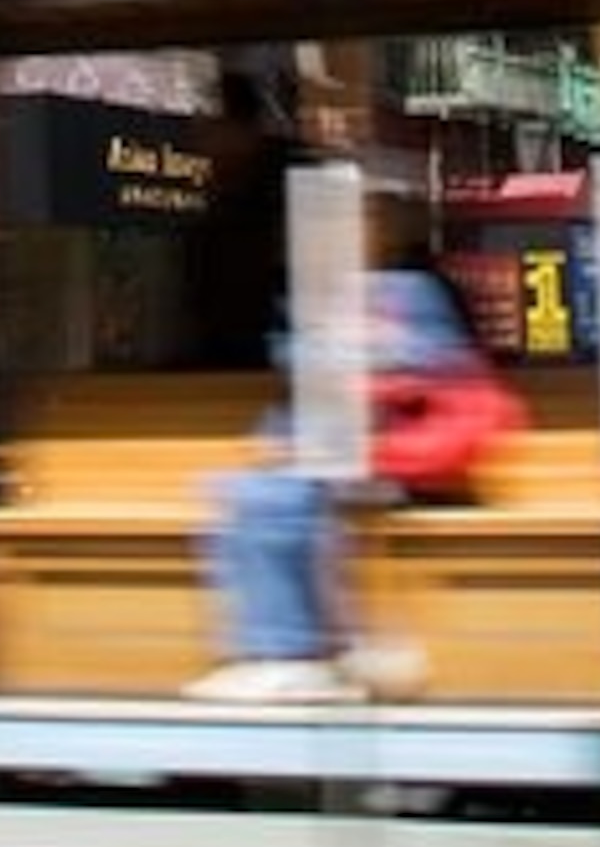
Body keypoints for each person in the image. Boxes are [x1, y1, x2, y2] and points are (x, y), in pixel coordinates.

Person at [184, 257, 525, 703]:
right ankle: (311, 649)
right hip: (359, 462)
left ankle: (294, 655)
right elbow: (312, 388)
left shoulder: (407, 293)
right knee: (248, 493)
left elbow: (419, 374)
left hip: (406, 466)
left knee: (280, 499)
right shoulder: (340, 293)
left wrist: (351, 404)